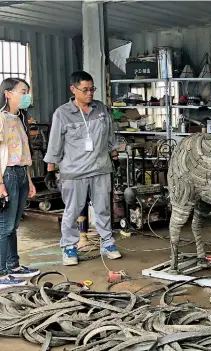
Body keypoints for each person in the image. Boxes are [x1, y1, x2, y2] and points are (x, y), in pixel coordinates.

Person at [43, 71, 121, 266]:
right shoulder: (62, 113)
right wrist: (50, 169)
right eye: (85, 90)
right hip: (74, 172)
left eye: (92, 89)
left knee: (103, 209)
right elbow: (55, 144)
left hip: (101, 169)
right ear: (73, 89)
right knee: (72, 210)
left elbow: (110, 136)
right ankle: (69, 247)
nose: (90, 93)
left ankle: (107, 243)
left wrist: (115, 157)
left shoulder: (100, 109)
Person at [0, 77, 40, 287]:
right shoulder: (2, 119)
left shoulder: (19, 119)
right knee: (5, 226)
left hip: (21, 174)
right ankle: (1, 274)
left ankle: (14, 266)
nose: (26, 96)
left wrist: (30, 181)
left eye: (27, 91)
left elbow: (24, 154)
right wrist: (0, 185)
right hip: (7, 175)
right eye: (22, 91)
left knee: (13, 226)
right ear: (8, 93)